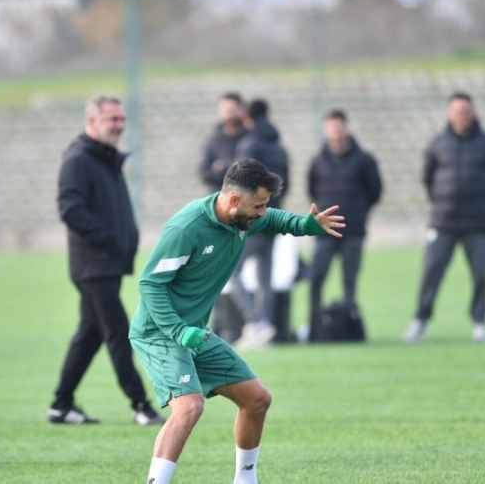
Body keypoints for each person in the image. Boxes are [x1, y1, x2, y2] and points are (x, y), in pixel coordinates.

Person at [129, 158, 345, 484]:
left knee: (257, 400)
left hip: (195, 333)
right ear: (233, 200)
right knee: (189, 408)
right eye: (257, 205)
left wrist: (305, 225)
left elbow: (273, 219)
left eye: (263, 205)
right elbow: (149, 284)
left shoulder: (240, 218)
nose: (261, 212)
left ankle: (245, 481)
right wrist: (177, 330)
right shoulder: (186, 229)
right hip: (159, 332)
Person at [48, 96, 165, 426]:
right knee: (118, 332)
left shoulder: (104, 158)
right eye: (112, 119)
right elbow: (70, 209)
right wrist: (111, 238)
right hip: (92, 265)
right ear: (92, 121)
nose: (119, 125)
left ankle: (61, 403)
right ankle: (140, 405)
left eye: (121, 119)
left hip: (107, 264)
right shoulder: (78, 160)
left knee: (90, 335)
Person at [403, 92, 485, 343]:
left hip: (478, 222)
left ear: (474, 112)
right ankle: (421, 320)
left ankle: (480, 322)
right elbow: (427, 179)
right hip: (444, 221)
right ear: (449, 114)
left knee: (481, 274)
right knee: (431, 273)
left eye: (467, 110)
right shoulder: (437, 144)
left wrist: (483, 201)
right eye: (458, 111)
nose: (463, 115)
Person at [307, 109, 382, 329]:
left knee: (350, 281)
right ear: (325, 130)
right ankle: (315, 325)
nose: (336, 132)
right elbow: (312, 189)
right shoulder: (318, 161)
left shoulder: (364, 160)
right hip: (324, 231)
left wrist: (358, 213)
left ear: (346, 128)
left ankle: (348, 325)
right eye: (331, 128)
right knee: (317, 276)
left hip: (353, 230)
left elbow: (375, 191)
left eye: (339, 127)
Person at [231, 98, 291, 349]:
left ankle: (257, 322)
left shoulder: (249, 144)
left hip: (252, 218)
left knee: (231, 270)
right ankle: (264, 324)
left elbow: (239, 183)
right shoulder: (279, 147)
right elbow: (285, 184)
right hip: (274, 217)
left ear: (247, 117)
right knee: (264, 275)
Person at [199, 92, 247, 194]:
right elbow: (205, 171)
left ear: (241, 111)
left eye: (231, 109)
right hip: (219, 197)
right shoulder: (213, 140)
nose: (228, 113)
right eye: (225, 109)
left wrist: (222, 167)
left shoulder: (250, 139)